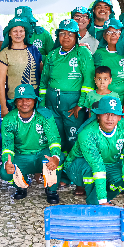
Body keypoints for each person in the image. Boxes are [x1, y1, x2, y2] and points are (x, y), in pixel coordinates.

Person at [64, 96, 124, 211]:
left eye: (114, 114)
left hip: (108, 164)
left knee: (123, 175)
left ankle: (98, 198)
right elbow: (97, 165)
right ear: (98, 115)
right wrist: (102, 200)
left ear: (119, 117)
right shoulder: (87, 133)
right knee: (90, 169)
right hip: (78, 166)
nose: (110, 118)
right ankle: (96, 200)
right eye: (105, 113)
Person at [0, 83, 63, 204]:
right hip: (21, 155)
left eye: (28, 99)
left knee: (57, 159)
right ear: (15, 102)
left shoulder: (45, 115)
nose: (24, 103)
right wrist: (8, 161)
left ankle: (51, 190)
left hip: (42, 154)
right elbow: (7, 145)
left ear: (34, 101)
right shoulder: (9, 119)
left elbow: (54, 139)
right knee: (4, 172)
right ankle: (21, 186)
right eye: (20, 100)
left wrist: (55, 156)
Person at [39, 19, 94, 153]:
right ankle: (58, 168)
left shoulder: (82, 52)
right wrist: (42, 105)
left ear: (76, 36)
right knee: (55, 137)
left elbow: (89, 81)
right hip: (52, 103)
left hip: (73, 105)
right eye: (62, 33)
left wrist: (80, 105)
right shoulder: (52, 55)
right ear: (58, 36)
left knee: (73, 138)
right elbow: (44, 81)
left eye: (70, 34)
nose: (66, 37)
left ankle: (72, 169)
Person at [0, 17, 43, 116]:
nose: (18, 34)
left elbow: (42, 74)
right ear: (9, 33)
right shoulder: (4, 54)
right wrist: (4, 107)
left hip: (34, 100)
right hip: (14, 101)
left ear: (25, 33)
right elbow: (0, 83)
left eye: (21, 31)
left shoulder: (34, 50)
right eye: (15, 31)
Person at [93, 18, 124, 101]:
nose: (113, 34)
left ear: (122, 34)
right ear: (104, 36)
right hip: (103, 100)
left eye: (117, 32)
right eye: (109, 32)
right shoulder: (98, 54)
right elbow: (91, 76)